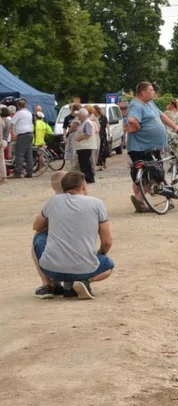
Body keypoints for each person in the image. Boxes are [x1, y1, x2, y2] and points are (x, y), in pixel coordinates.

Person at [32, 170, 114, 300]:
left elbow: (37, 226)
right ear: (84, 186)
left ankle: (48, 284)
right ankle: (85, 282)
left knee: (39, 236)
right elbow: (107, 242)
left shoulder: (53, 201)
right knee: (108, 265)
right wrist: (100, 254)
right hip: (85, 269)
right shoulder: (97, 204)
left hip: (51, 269)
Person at [125, 81, 178, 213]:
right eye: (151, 90)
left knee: (155, 173)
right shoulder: (136, 105)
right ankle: (140, 200)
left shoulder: (149, 103)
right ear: (143, 92)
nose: (154, 92)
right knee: (144, 174)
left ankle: (144, 199)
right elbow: (131, 119)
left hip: (152, 146)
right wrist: (135, 126)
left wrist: (175, 127)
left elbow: (161, 115)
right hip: (140, 146)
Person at [72, 108, 99, 184]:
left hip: (85, 146)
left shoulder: (87, 122)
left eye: (79, 115)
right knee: (84, 163)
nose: (78, 117)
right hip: (83, 146)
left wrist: (79, 139)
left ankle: (88, 178)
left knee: (85, 163)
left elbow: (88, 134)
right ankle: (88, 177)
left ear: (82, 115)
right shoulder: (84, 122)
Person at [11, 98, 34, 179]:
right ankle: (29, 172)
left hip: (22, 134)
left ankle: (18, 172)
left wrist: (13, 133)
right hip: (30, 133)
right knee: (29, 153)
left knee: (19, 154)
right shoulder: (29, 113)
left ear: (18, 105)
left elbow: (12, 122)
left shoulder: (19, 113)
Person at [92, 105, 110, 170]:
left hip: (102, 135)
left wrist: (109, 132)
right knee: (97, 150)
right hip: (95, 135)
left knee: (103, 149)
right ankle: (99, 164)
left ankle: (103, 162)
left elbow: (107, 124)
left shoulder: (103, 117)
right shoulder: (92, 117)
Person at [0, 107, 11, 183]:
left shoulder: (2, 120)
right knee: (3, 158)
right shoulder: (8, 121)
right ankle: (4, 175)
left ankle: (3, 176)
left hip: (1, 140)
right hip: (5, 140)